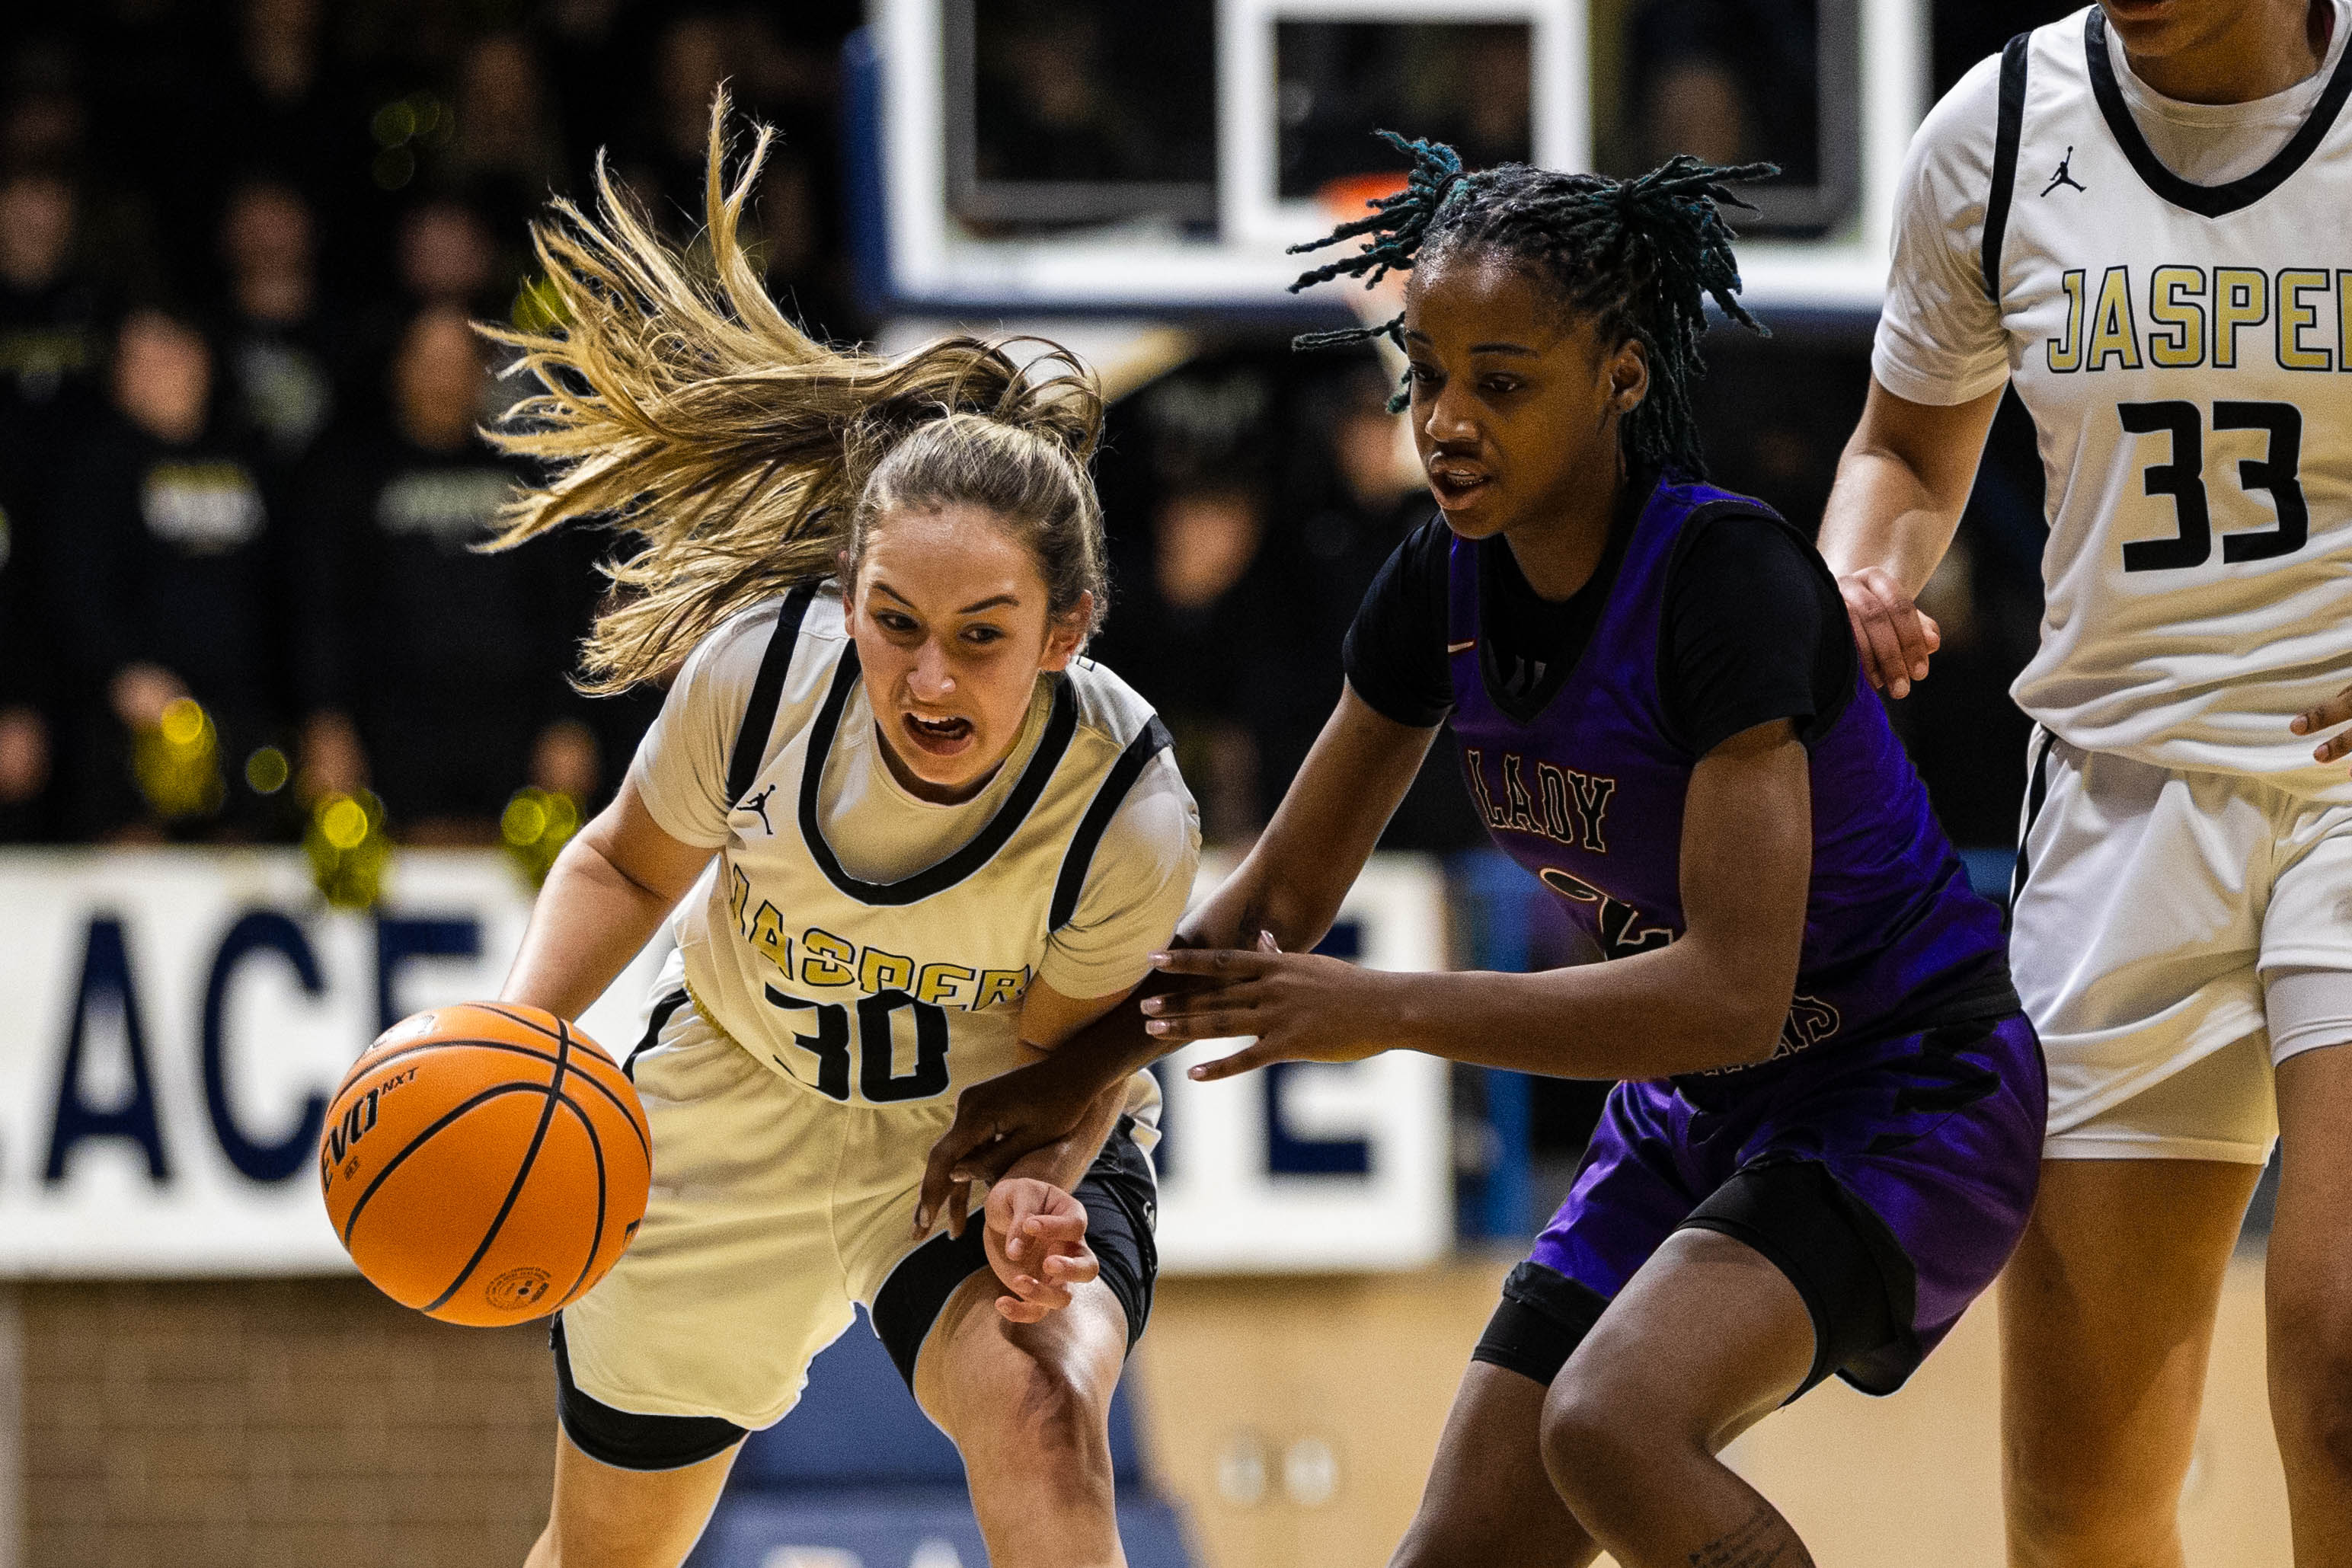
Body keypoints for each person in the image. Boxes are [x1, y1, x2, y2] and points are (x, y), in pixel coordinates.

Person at [922, 136, 2047, 1567]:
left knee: (1613, 1425)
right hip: (1697, 1108)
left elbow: (1732, 995)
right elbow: (1276, 905)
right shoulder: (1438, 578)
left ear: (1624, 376)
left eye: (1500, 383)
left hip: (1904, 1086)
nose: (1445, 420)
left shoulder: (1728, 583)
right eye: (1427, 372)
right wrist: (1065, 1075)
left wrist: (1380, 1013)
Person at [484, 101, 1198, 1568]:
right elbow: (623, 861)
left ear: (1066, 629)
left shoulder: (1123, 806)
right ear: (851, 597)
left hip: (988, 1117)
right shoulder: (758, 680)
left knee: (1045, 1421)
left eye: (981, 638)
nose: (930, 677)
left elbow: (1070, 1054)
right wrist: (516, 1034)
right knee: (606, 1552)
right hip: (733, 1093)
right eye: (896, 624)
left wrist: (1032, 1188)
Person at [1826, 0, 2352, 1560]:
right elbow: (1904, 449)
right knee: (2076, 1499)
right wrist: (1854, 571)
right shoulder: (1991, 134)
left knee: (2338, 1368)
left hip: (2341, 778)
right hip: (2119, 791)